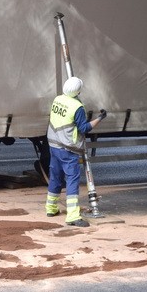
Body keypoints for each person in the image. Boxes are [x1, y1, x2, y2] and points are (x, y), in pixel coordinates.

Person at [45, 76, 107, 228]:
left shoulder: (57, 99)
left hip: (53, 145)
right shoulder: (77, 107)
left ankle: (51, 208)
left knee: (55, 177)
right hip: (68, 148)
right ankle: (72, 216)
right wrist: (99, 118)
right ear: (78, 91)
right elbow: (84, 128)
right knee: (72, 180)